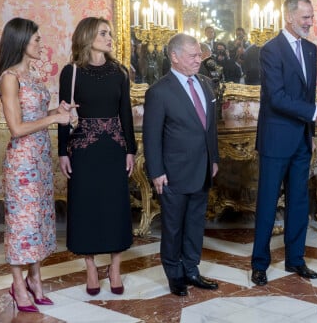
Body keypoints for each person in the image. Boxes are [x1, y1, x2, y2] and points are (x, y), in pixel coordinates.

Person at [250, 0, 317, 286]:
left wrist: (310, 133)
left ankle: (295, 260)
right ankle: (259, 264)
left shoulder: (311, 50)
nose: (310, 22)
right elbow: (276, 98)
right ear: (289, 17)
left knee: (299, 202)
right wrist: (314, 112)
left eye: (311, 17)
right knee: (268, 202)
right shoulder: (270, 50)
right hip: (276, 139)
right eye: (305, 17)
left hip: (301, 139)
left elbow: (306, 95)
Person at [0, 18, 71, 312]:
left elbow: (36, 114)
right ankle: (18, 285)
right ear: (21, 41)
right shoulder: (9, 78)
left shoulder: (33, 74)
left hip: (40, 159)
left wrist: (56, 110)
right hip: (22, 163)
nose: (41, 44)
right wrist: (53, 119)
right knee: (22, 226)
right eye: (36, 39)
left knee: (40, 222)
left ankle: (36, 279)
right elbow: (17, 128)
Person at [58, 17, 137, 296]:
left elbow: (125, 113)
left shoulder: (119, 72)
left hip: (114, 148)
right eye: (103, 33)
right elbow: (63, 114)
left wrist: (130, 150)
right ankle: (90, 267)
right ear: (88, 36)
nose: (109, 37)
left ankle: (115, 267)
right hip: (83, 150)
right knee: (85, 207)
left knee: (116, 207)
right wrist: (61, 152)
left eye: (110, 33)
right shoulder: (71, 72)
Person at [143, 33, 220, 297]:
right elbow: (151, 136)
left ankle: (191, 269)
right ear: (174, 57)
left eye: (200, 54)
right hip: (172, 173)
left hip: (202, 168)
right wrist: (156, 172)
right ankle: (174, 274)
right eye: (193, 55)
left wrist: (215, 158)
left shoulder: (205, 85)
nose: (199, 59)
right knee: (173, 227)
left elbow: (209, 128)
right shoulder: (159, 91)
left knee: (196, 224)